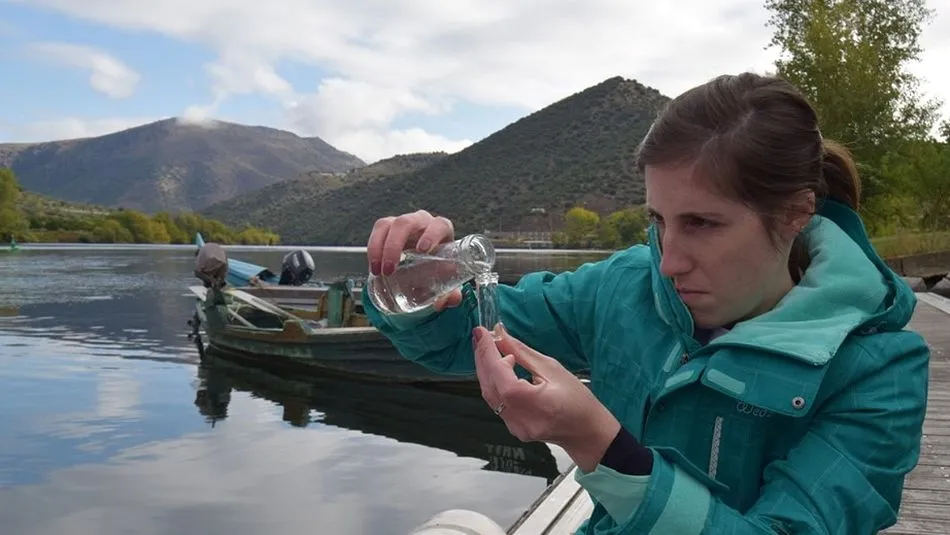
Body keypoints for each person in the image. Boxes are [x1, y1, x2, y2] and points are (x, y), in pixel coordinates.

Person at [362, 72, 930, 534]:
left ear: (795, 214)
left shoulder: (881, 373)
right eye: (659, 221)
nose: (668, 261)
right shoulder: (625, 286)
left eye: (702, 223)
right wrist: (413, 283)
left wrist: (601, 448)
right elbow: (458, 340)